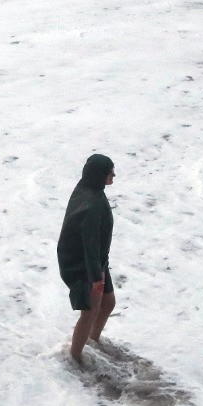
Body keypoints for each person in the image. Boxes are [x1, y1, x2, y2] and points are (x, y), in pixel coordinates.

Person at [57, 153, 116, 364]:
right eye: (110, 173)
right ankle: (74, 357)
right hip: (84, 265)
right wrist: (96, 279)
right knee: (90, 310)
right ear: (99, 176)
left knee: (108, 303)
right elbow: (89, 245)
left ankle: (93, 340)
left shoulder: (87, 187)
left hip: (97, 260)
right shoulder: (93, 205)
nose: (114, 176)